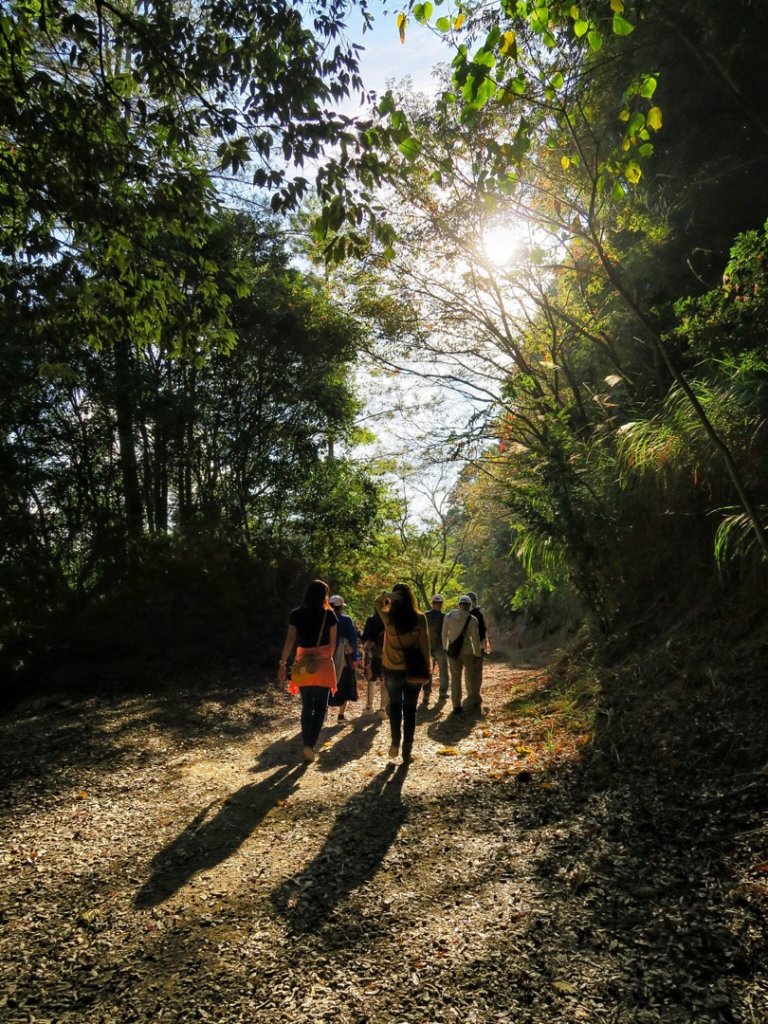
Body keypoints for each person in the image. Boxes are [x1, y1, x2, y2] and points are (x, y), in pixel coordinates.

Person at [277, 580, 338, 763]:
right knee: (321, 707)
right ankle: (311, 744)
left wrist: (282, 663)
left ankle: (306, 743)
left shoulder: (296, 614)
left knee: (307, 705)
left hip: (303, 662)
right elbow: (333, 643)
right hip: (324, 663)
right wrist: (324, 657)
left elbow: (290, 640)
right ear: (324, 595)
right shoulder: (330, 615)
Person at [374, 583, 431, 763]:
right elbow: (425, 647)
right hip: (414, 670)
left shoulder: (389, 618)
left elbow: (377, 602)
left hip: (392, 671)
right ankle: (407, 750)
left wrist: (390, 595)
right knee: (411, 711)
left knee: (396, 707)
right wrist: (428, 671)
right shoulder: (420, 618)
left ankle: (395, 742)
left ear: (396, 599)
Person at [441, 594, 481, 714]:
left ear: (458, 605)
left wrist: (445, 648)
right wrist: (477, 655)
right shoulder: (472, 619)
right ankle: (474, 699)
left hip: (453, 652)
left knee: (455, 678)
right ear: (469, 606)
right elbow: (475, 639)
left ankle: (456, 704)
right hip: (468, 652)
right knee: (471, 676)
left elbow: (444, 634)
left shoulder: (448, 617)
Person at [328, 594, 360, 722]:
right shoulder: (347, 620)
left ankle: (321, 713)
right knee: (345, 685)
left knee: (325, 685)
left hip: (325, 658)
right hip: (344, 659)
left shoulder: (324, 619)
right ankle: (341, 715)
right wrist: (355, 656)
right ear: (341, 607)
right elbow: (353, 639)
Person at [361, 608, 388, 718]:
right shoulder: (389, 620)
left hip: (372, 655)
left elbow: (364, 637)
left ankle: (369, 707)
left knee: (371, 680)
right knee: (384, 681)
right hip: (387, 655)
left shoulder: (371, 620)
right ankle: (382, 709)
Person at [467, 590, 492, 705]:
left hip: (466, 645)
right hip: (480, 643)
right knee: (478, 669)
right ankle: (476, 693)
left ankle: (469, 692)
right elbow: (486, 627)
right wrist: (488, 642)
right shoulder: (482, 610)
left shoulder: (462, 611)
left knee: (468, 669)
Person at [425, 594, 448, 697]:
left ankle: (426, 692)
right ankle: (443, 692)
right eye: (438, 603)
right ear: (441, 605)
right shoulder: (445, 617)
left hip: (427, 647)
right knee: (443, 671)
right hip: (440, 647)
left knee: (428, 671)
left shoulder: (425, 616)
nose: (437, 605)